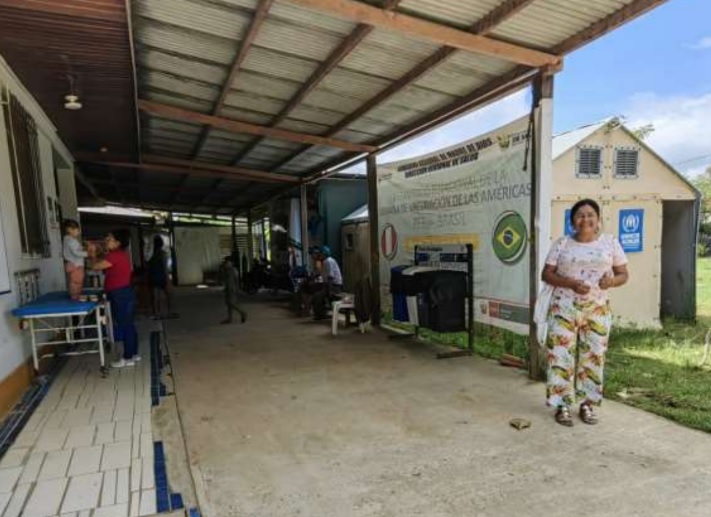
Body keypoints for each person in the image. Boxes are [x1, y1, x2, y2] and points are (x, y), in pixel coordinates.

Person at [542, 199, 629, 426]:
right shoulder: (562, 244)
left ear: (598, 219)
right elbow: (546, 274)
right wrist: (569, 283)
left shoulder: (610, 243)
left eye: (591, 215)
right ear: (572, 221)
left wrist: (611, 281)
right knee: (560, 356)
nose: (585, 219)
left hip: (597, 310)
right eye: (580, 215)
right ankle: (562, 405)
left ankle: (587, 405)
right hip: (564, 308)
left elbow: (623, 274)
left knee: (594, 356)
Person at [92, 229, 139, 368]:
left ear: (118, 243)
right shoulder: (120, 254)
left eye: (110, 239)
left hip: (120, 294)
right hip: (125, 292)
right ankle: (133, 354)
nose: (107, 241)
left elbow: (95, 266)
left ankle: (127, 358)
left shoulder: (115, 255)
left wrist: (93, 253)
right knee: (129, 324)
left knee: (125, 325)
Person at [312, 246, 343, 320]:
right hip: (329, 284)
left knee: (317, 296)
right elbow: (320, 274)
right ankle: (321, 313)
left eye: (320, 254)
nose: (319, 255)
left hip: (335, 285)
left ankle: (320, 315)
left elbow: (330, 277)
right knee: (316, 292)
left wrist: (329, 291)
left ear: (324, 254)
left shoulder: (328, 261)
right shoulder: (323, 262)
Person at [62, 219, 88, 300]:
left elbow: (76, 249)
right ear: (69, 229)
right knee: (77, 282)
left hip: (71, 264)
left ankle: (74, 296)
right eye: (77, 230)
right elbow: (76, 252)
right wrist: (88, 254)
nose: (79, 232)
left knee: (73, 282)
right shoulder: (71, 240)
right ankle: (75, 297)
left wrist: (83, 248)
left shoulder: (67, 239)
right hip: (76, 265)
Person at [147, 235, 172, 318]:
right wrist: (168, 279)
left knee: (155, 296)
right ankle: (168, 311)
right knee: (168, 294)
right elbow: (165, 268)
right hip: (161, 277)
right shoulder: (162, 254)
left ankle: (156, 312)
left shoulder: (152, 255)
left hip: (153, 277)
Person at [220, 256, 247, 324]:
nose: (226, 263)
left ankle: (242, 313)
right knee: (229, 304)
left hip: (232, 289)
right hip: (229, 288)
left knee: (231, 303)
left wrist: (237, 288)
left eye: (227, 262)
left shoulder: (233, 270)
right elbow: (225, 279)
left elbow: (236, 280)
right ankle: (229, 318)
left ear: (231, 263)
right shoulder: (227, 270)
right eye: (226, 262)